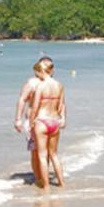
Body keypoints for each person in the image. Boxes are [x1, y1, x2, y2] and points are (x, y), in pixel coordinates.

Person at [14, 55, 68, 190]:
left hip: (40, 122)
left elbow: (36, 107)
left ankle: (44, 184)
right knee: (50, 154)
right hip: (54, 121)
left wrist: (31, 122)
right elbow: (62, 104)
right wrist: (18, 119)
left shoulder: (40, 86)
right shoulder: (56, 85)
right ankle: (57, 183)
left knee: (41, 155)